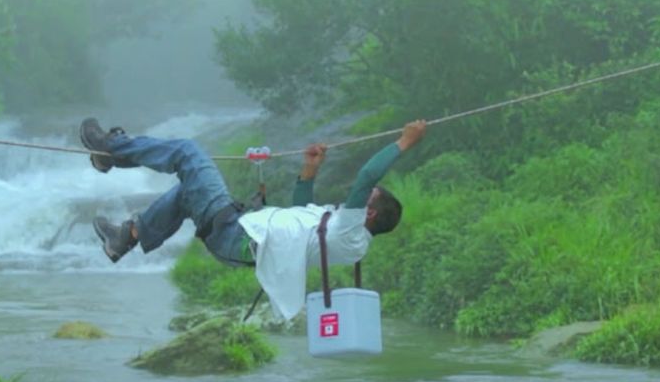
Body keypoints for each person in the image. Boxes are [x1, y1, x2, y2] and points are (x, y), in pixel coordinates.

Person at [79, 117, 427, 320]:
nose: (360, 193)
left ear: (369, 212)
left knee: (189, 153)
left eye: (368, 197)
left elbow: (367, 175)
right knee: (189, 191)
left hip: (236, 235)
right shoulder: (343, 232)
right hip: (237, 234)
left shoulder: (353, 234)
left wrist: (404, 142)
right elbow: (300, 212)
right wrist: (309, 171)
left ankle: (111, 148)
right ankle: (128, 235)